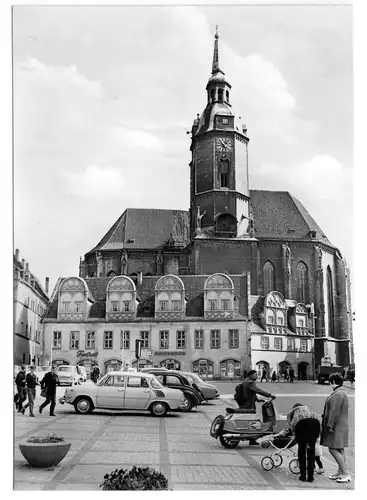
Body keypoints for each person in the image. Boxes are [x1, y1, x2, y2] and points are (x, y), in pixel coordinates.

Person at [277, 403, 321, 482]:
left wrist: (295, 435)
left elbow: (292, 424)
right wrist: (317, 435)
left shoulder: (293, 412)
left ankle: (303, 476)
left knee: (302, 453)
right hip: (314, 426)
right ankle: (310, 477)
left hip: (301, 426)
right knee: (311, 452)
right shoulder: (309, 409)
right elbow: (318, 420)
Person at [321, 372, 350, 483]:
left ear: (332, 382)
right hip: (342, 426)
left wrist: (329, 425)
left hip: (336, 426)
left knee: (332, 448)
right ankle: (340, 472)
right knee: (340, 448)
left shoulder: (337, 394)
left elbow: (334, 412)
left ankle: (345, 473)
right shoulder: (343, 393)